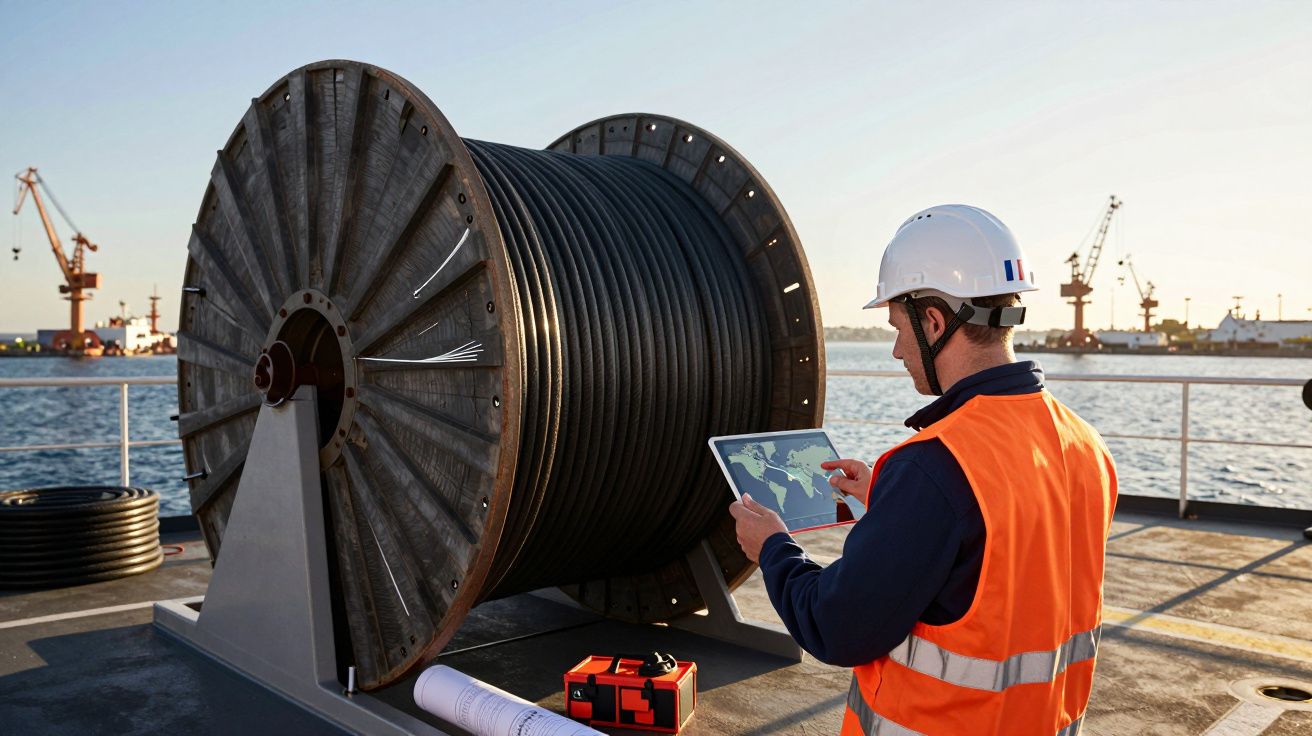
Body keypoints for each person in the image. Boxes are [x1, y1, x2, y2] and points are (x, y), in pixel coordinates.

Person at [730, 204, 1117, 735]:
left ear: (934, 321)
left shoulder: (935, 468)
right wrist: (888, 500)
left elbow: (835, 627)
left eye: (897, 328)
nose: (895, 350)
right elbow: (997, 553)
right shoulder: (1084, 442)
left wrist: (772, 547)